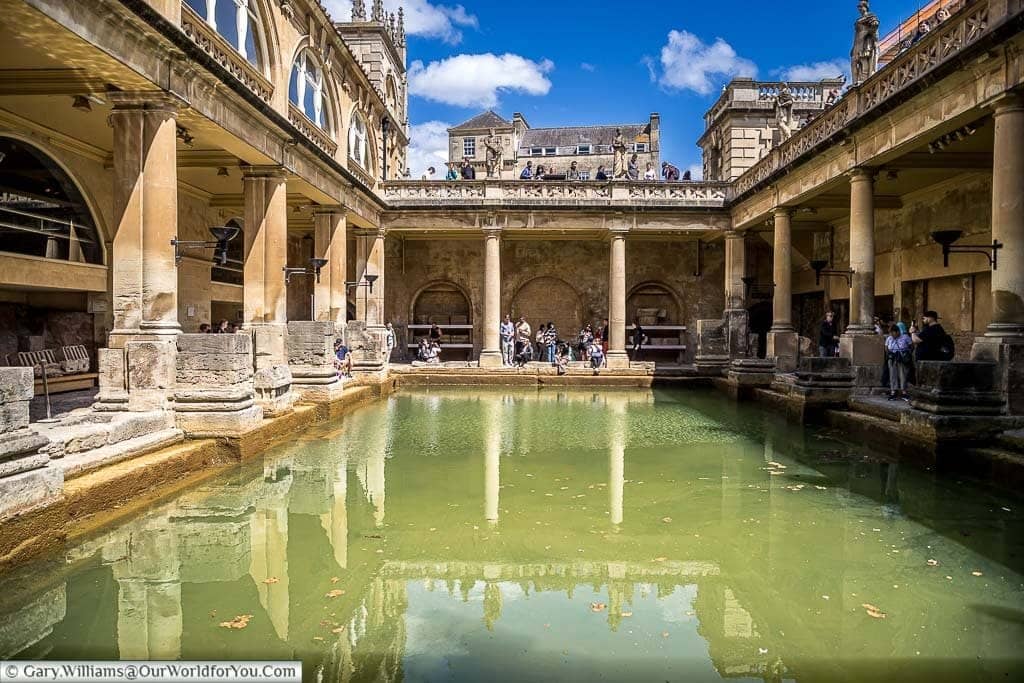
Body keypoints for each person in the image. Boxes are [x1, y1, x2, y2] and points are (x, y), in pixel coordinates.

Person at [885, 324, 913, 401]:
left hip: (902, 357)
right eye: (890, 333)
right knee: (892, 375)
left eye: (893, 333)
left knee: (903, 374)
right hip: (892, 357)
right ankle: (893, 391)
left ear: (897, 331)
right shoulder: (889, 338)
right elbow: (886, 348)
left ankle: (904, 392)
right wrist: (890, 355)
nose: (891, 335)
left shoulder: (905, 337)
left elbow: (911, 346)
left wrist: (906, 354)